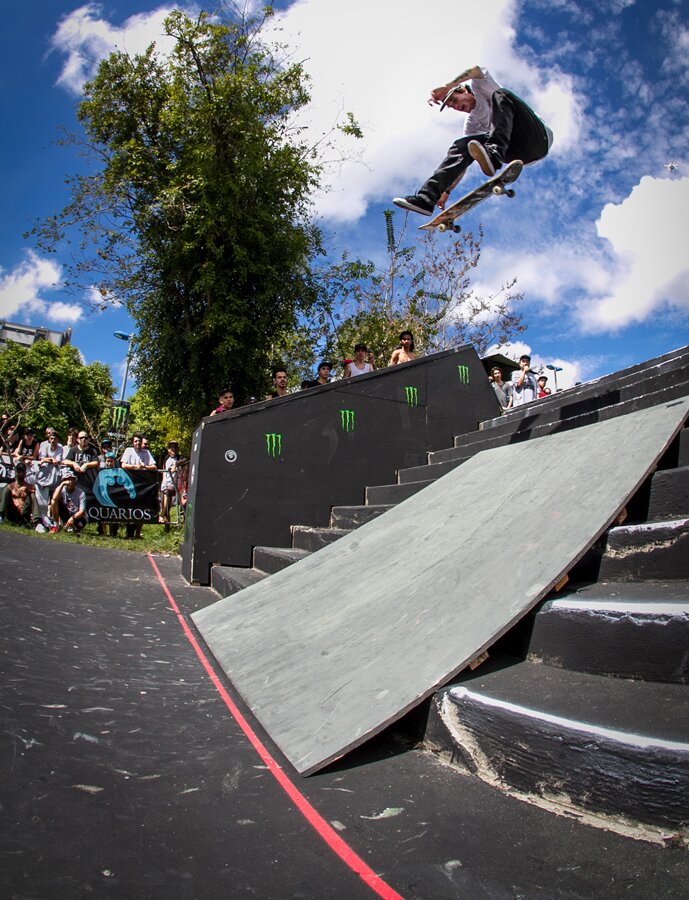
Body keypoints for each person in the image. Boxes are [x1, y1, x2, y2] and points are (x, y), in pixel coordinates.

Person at [393, 65, 553, 216]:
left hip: (537, 139)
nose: (455, 107)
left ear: (464, 90)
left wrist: (448, 86)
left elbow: (476, 70)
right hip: (516, 154)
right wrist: (446, 191)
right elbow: (462, 164)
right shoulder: (471, 125)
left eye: (455, 100)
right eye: (451, 106)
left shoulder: (480, 86)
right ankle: (427, 199)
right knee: (461, 145)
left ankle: (494, 153)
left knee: (502, 94)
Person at [121, 434, 156, 539]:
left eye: (139, 441)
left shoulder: (146, 453)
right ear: (133, 442)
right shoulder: (128, 451)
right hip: (130, 483)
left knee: (140, 508)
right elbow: (123, 465)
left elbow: (154, 467)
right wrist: (136, 467)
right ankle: (129, 533)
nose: (138, 443)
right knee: (129, 508)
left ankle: (136, 533)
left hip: (142, 485)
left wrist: (144, 466)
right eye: (136, 441)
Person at [0, 460, 36, 527]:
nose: (20, 473)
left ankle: (38, 522)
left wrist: (27, 490)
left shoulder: (30, 486)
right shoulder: (11, 486)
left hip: (24, 514)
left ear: (25, 473)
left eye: (22, 471)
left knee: (32, 494)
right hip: (12, 513)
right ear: (16, 472)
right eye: (19, 471)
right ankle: (1, 516)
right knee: (6, 490)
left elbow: (34, 498)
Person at [160, 440, 180, 532]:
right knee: (166, 504)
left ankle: (161, 515)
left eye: (175, 447)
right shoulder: (166, 458)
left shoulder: (179, 458)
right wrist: (162, 484)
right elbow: (164, 471)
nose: (174, 449)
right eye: (172, 447)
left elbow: (185, 460)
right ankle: (166, 528)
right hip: (165, 483)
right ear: (168, 449)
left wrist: (176, 464)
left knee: (167, 494)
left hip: (174, 484)